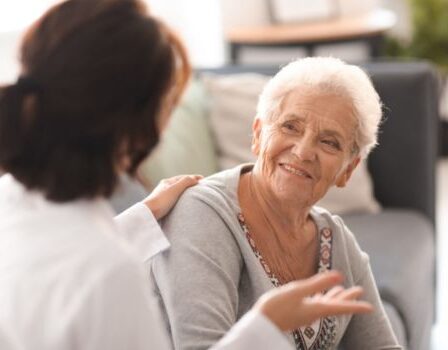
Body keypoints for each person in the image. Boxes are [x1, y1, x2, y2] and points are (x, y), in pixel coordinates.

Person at [0, 1, 373, 349]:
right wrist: (263, 328)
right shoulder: (110, 273)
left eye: (328, 142)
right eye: (170, 102)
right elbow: (86, 271)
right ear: (140, 126)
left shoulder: (12, 197)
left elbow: (67, 258)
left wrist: (140, 219)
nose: (305, 150)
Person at [152, 57, 403, 350]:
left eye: (329, 142)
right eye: (291, 127)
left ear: (348, 169)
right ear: (258, 135)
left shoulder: (337, 241)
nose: (303, 151)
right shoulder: (202, 214)